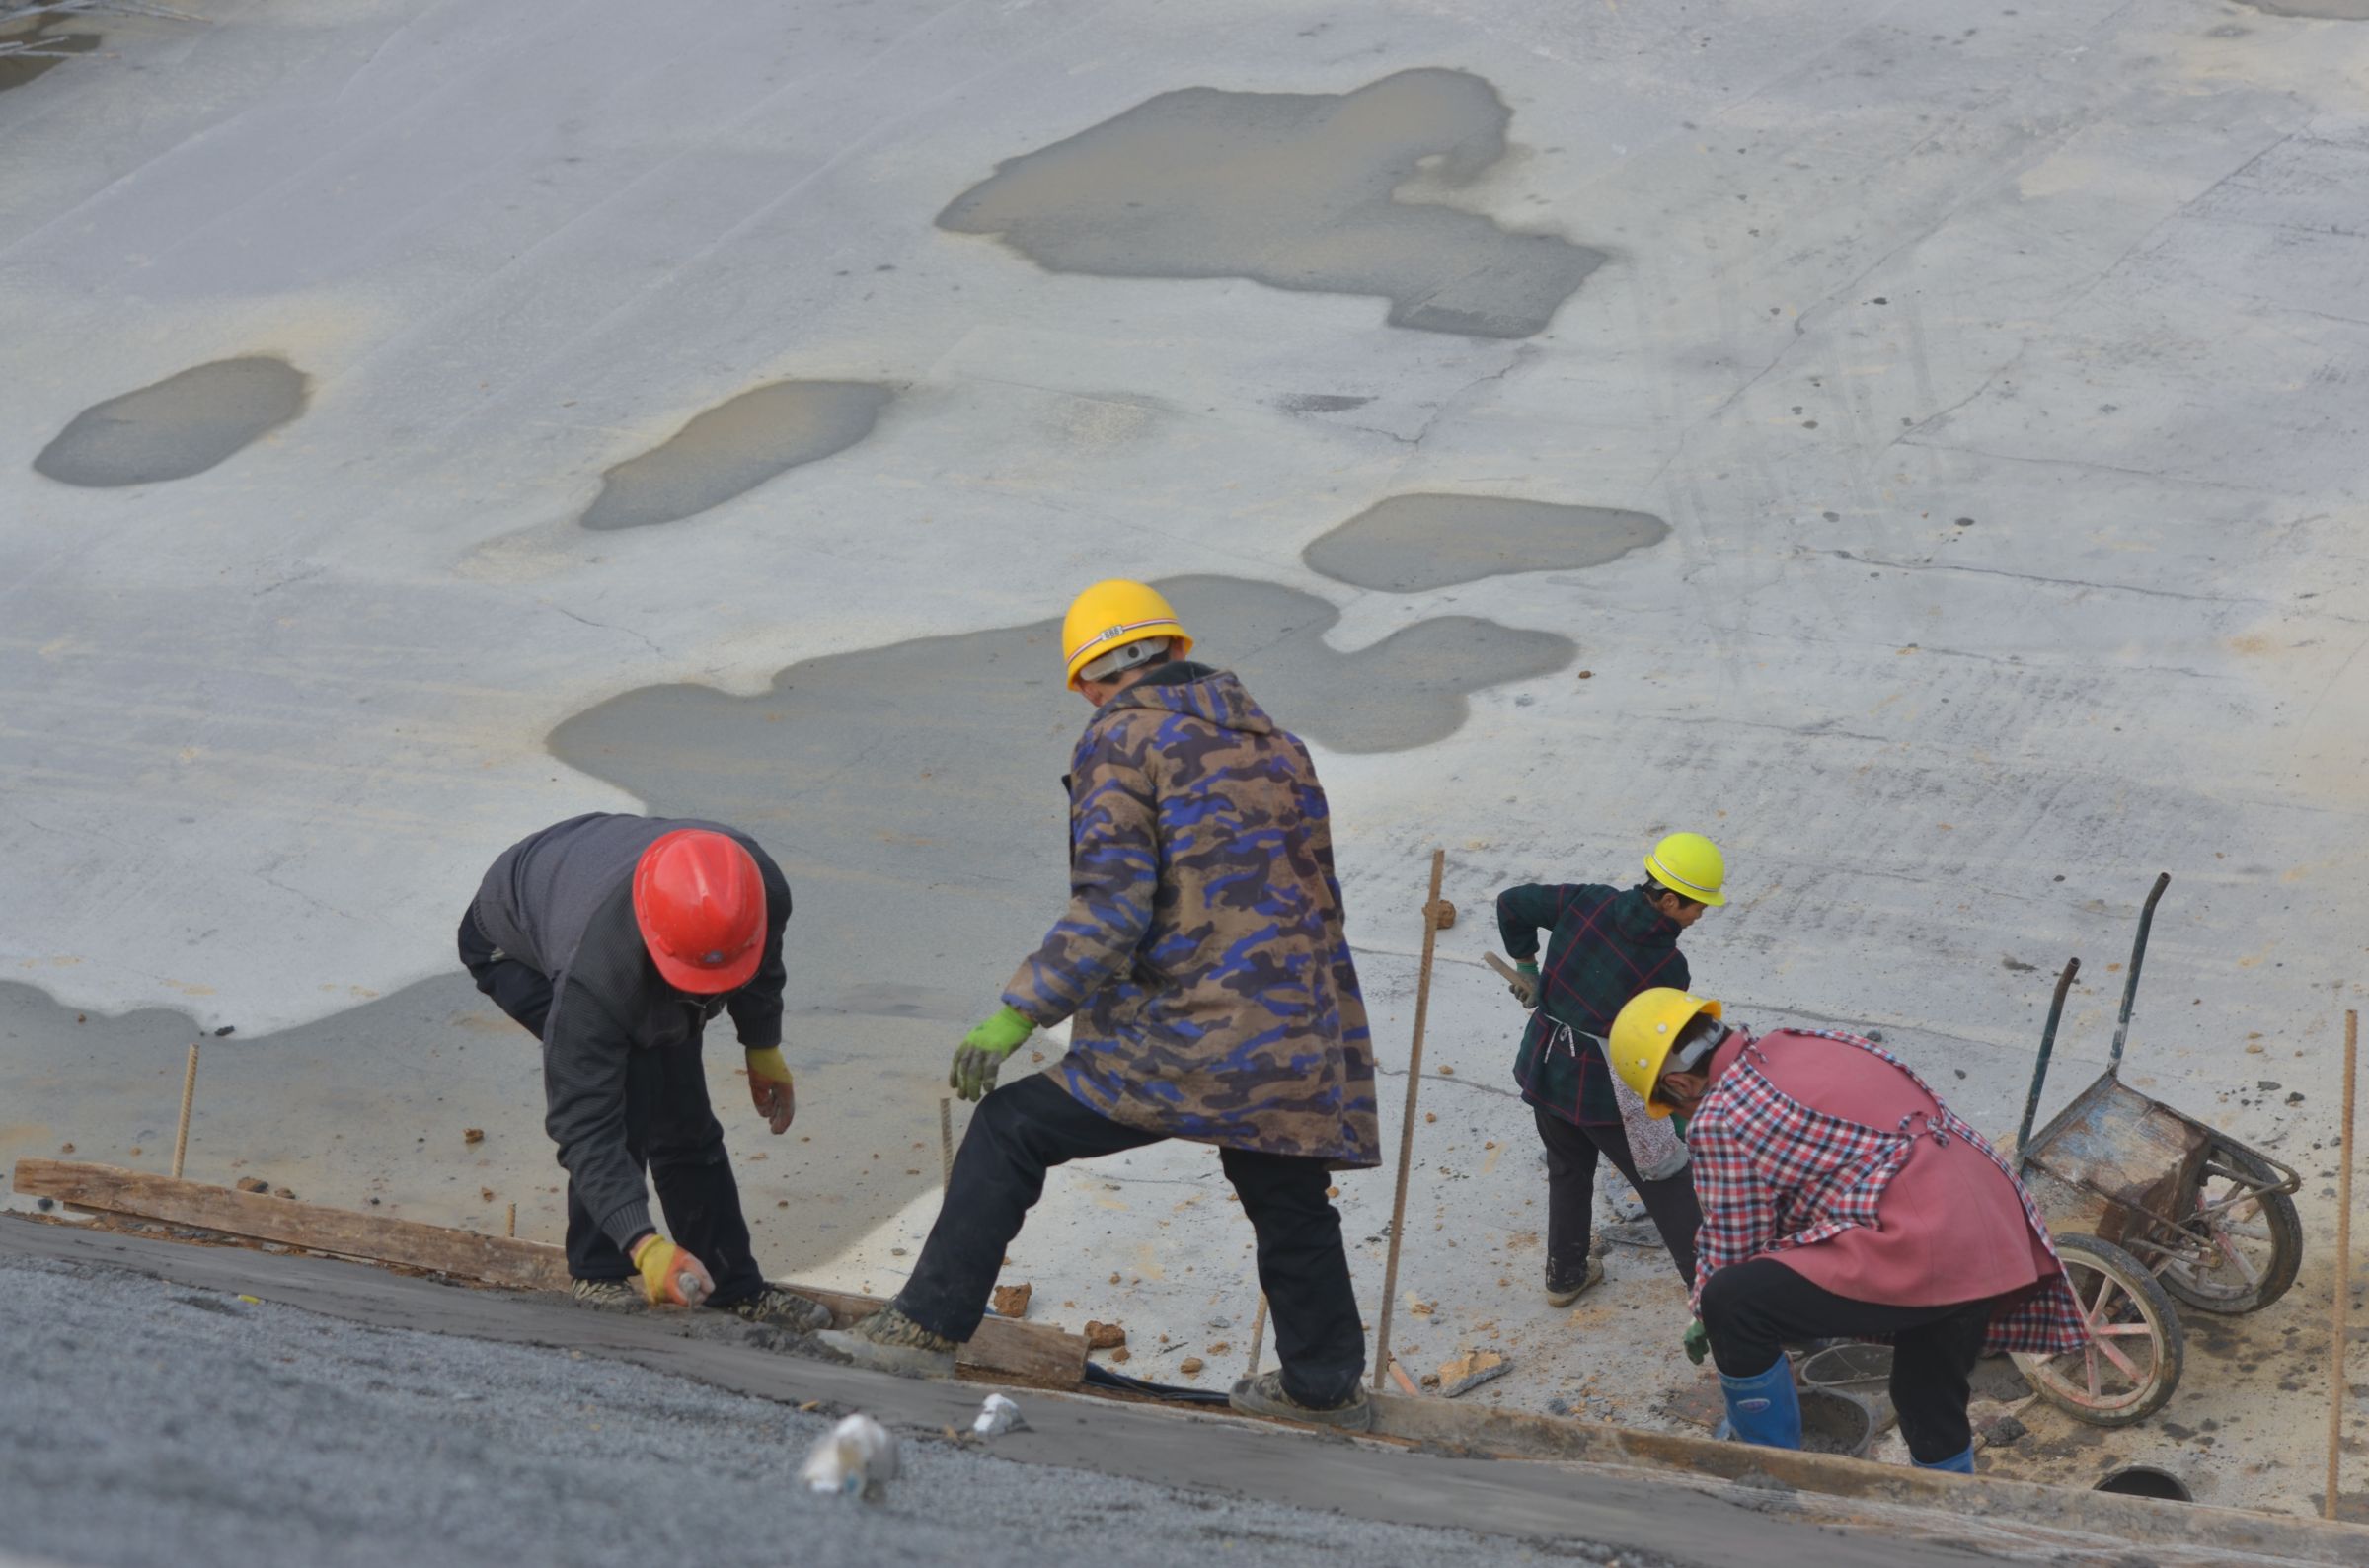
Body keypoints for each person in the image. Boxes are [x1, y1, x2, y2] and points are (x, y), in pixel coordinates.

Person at [822, 581, 1381, 1429]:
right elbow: (1316, 893)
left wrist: (1020, 1010)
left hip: (1186, 1035)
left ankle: (925, 1326)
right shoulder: (1281, 743)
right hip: (1299, 1029)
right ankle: (1326, 1386)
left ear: (1092, 676)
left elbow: (1113, 908)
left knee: (1014, 1127)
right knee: (1283, 1188)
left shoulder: (1121, 738)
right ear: (1172, 648)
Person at [1609, 988, 2089, 1472]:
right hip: (1990, 1218)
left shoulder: (1719, 1114)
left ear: (1679, 1084)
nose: (1681, 1117)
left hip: (1924, 1242)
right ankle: (1950, 1517)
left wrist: (1706, 1313)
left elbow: (1736, 1245)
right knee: (1924, 1390)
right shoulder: (1808, 1039)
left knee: (1732, 1303)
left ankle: (1767, 1472)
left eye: (1671, 1106)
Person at [459, 812, 830, 1330]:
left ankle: (728, 1284)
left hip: (590, 877)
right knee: (630, 1086)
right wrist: (643, 1242)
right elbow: (583, 1124)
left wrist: (761, 1042)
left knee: (682, 1111)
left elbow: (761, 957)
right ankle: (601, 1272)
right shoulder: (597, 975)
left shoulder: (754, 886)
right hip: (511, 934)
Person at [1494, 833, 1726, 1306]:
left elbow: (1512, 903)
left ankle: (1565, 1275)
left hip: (1545, 1069)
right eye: (1696, 906)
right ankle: (1715, 1297)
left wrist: (1528, 967)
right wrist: (1678, 1116)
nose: (1701, 915)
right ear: (1667, 900)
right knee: (1666, 1181)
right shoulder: (1667, 967)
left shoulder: (1587, 901)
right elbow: (1659, 1049)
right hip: (1604, 1094)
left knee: (1567, 1169)